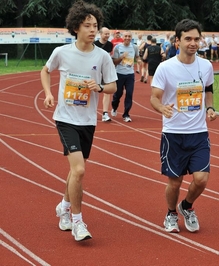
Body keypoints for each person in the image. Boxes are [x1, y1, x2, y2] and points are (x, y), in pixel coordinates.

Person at [40, 0, 117, 241]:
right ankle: (77, 221)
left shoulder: (102, 56)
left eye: (95, 25)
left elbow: (113, 87)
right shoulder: (62, 52)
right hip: (65, 118)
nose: (93, 30)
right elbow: (45, 70)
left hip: (88, 121)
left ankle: (63, 207)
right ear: (76, 28)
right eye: (87, 25)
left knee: (76, 171)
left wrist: (100, 87)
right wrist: (49, 93)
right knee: (80, 170)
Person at [150, 19, 217, 233]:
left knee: (201, 179)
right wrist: (161, 108)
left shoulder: (206, 66)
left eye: (197, 39)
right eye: (188, 39)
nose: (193, 43)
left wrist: (209, 108)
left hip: (198, 133)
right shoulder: (166, 68)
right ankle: (171, 213)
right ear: (177, 41)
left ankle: (186, 206)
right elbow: (154, 98)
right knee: (175, 182)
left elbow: (208, 89)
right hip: (173, 133)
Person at [111, 30, 140, 122]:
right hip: (119, 74)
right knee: (118, 94)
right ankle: (114, 107)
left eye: (129, 36)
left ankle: (126, 114)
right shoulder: (117, 47)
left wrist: (139, 60)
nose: (127, 38)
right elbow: (114, 62)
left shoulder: (135, 47)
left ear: (131, 38)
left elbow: (137, 57)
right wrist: (121, 57)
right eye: (126, 36)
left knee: (129, 94)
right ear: (123, 37)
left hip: (130, 75)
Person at [94, 27, 114, 122]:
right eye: (105, 34)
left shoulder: (110, 45)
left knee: (107, 91)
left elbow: (110, 57)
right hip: (95, 70)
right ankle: (92, 111)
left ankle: (105, 113)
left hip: (106, 71)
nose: (107, 35)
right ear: (100, 34)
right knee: (93, 91)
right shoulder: (94, 44)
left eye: (108, 34)